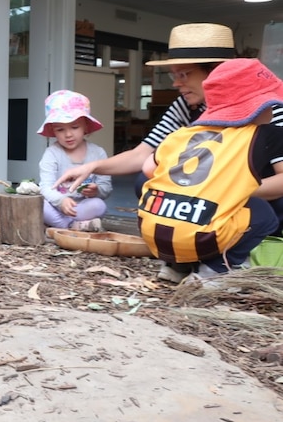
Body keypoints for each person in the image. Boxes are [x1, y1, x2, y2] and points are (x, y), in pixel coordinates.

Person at [53, 22, 283, 281]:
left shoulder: (268, 109)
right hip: (204, 197)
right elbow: (143, 155)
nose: (176, 83)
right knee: (146, 181)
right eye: (174, 74)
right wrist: (92, 166)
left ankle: (220, 255)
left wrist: (224, 190)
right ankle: (182, 255)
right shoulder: (186, 105)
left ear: (216, 73)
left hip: (255, 193)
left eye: (184, 75)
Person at [138, 58, 283, 281]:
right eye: (271, 105)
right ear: (258, 106)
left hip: (156, 232)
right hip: (203, 237)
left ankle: (175, 267)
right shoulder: (262, 135)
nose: (273, 112)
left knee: (186, 207)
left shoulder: (184, 133)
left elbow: (148, 168)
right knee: (263, 214)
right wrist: (226, 191)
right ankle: (214, 271)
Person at [37, 90, 112, 232]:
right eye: (60, 129)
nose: (68, 134)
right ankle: (72, 226)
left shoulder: (98, 153)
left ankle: (63, 225)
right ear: (53, 131)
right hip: (57, 207)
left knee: (99, 205)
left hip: (82, 207)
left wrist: (97, 191)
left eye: (75, 127)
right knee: (39, 204)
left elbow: (106, 187)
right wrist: (61, 201)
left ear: (86, 126)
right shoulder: (52, 153)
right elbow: (45, 187)